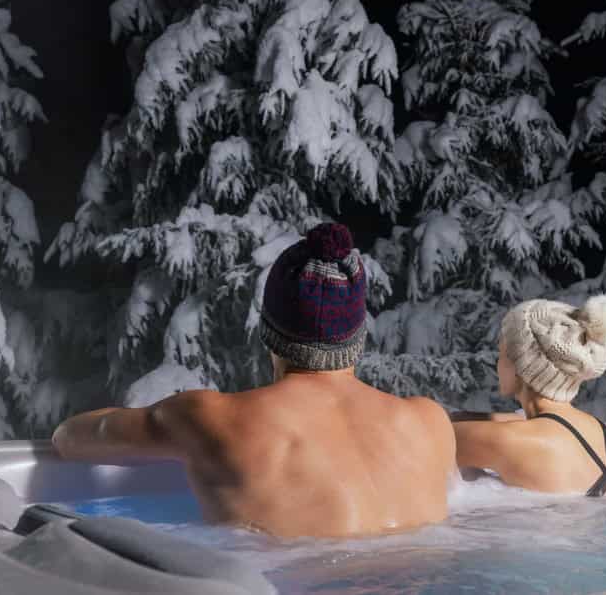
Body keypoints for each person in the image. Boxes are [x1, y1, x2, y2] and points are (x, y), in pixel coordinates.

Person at [52, 223, 457, 538]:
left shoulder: (209, 419)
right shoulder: (430, 423)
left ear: (268, 333)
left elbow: (69, 439)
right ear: (358, 337)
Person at [451, 295, 606, 497]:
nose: (497, 364)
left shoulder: (510, 440)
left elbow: (429, 434)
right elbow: (531, 424)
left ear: (521, 365)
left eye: (502, 353)